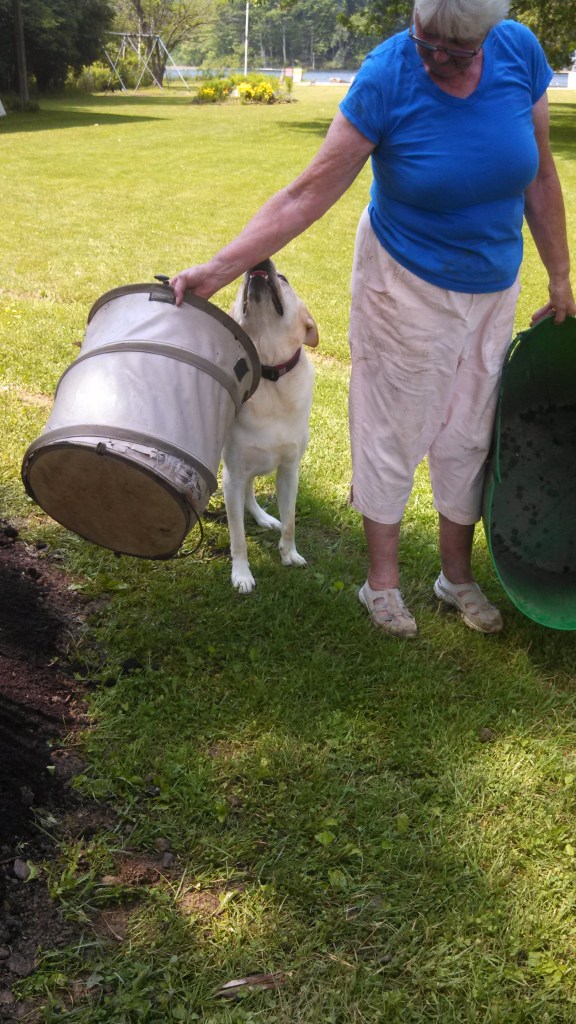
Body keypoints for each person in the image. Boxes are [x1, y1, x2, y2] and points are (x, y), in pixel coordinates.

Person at [171, 0, 575, 639]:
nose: (436, 56)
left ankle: (454, 576)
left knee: (470, 433)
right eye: (426, 39)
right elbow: (307, 193)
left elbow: (541, 176)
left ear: (489, 36)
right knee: (392, 430)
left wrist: (559, 275)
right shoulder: (387, 75)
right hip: (404, 285)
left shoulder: (520, 53)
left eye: (456, 48)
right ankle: (380, 585)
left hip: (494, 287)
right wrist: (218, 271)